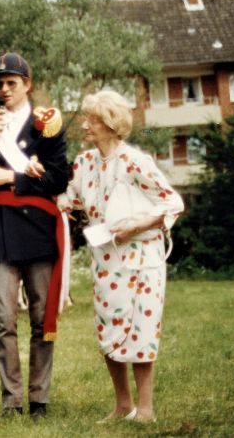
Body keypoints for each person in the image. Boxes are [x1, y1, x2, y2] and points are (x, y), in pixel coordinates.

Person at [57, 89, 184, 423]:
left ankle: (145, 408)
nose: (84, 125)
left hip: (142, 258)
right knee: (108, 329)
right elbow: (66, 200)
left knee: (141, 328)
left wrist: (136, 224)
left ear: (111, 124)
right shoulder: (84, 163)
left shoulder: (135, 161)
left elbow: (173, 202)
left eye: (92, 119)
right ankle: (122, 404)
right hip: (105, 259)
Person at [0, 52, 68, 419]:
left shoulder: (47, 125)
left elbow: (58, 177)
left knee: (41, 321)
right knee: (4, 322)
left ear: (28, 84)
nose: (4, 89)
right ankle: (11, 401)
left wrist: (13, 177)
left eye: (11, 83)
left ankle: (39, 399)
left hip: (37, 231)